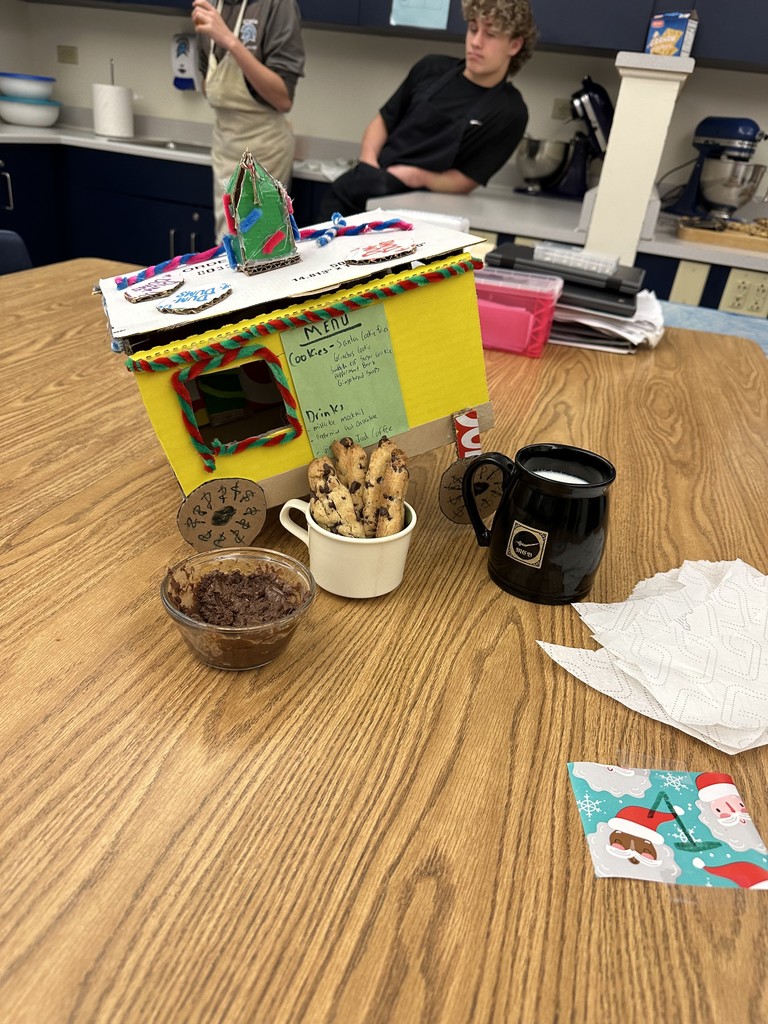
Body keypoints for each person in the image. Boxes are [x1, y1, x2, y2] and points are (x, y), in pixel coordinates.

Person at [317, 0, 537, 222]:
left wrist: (417, 177)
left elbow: (466, 180)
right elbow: (382, 122)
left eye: (490, 35)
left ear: (514, 45)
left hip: (418, 212)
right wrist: (368, 166)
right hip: (359, 190)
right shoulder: (431, 68)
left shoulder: (510, 112)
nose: (476, 42)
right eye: (472, 29)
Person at [192, 0, 305, 240]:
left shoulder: (277, 5)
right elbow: (208, 82)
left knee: (258, 246)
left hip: (265, 149)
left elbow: (283, 99)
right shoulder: (211, 5)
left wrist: (231, 42)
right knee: (227, 244)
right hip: (224, 145)